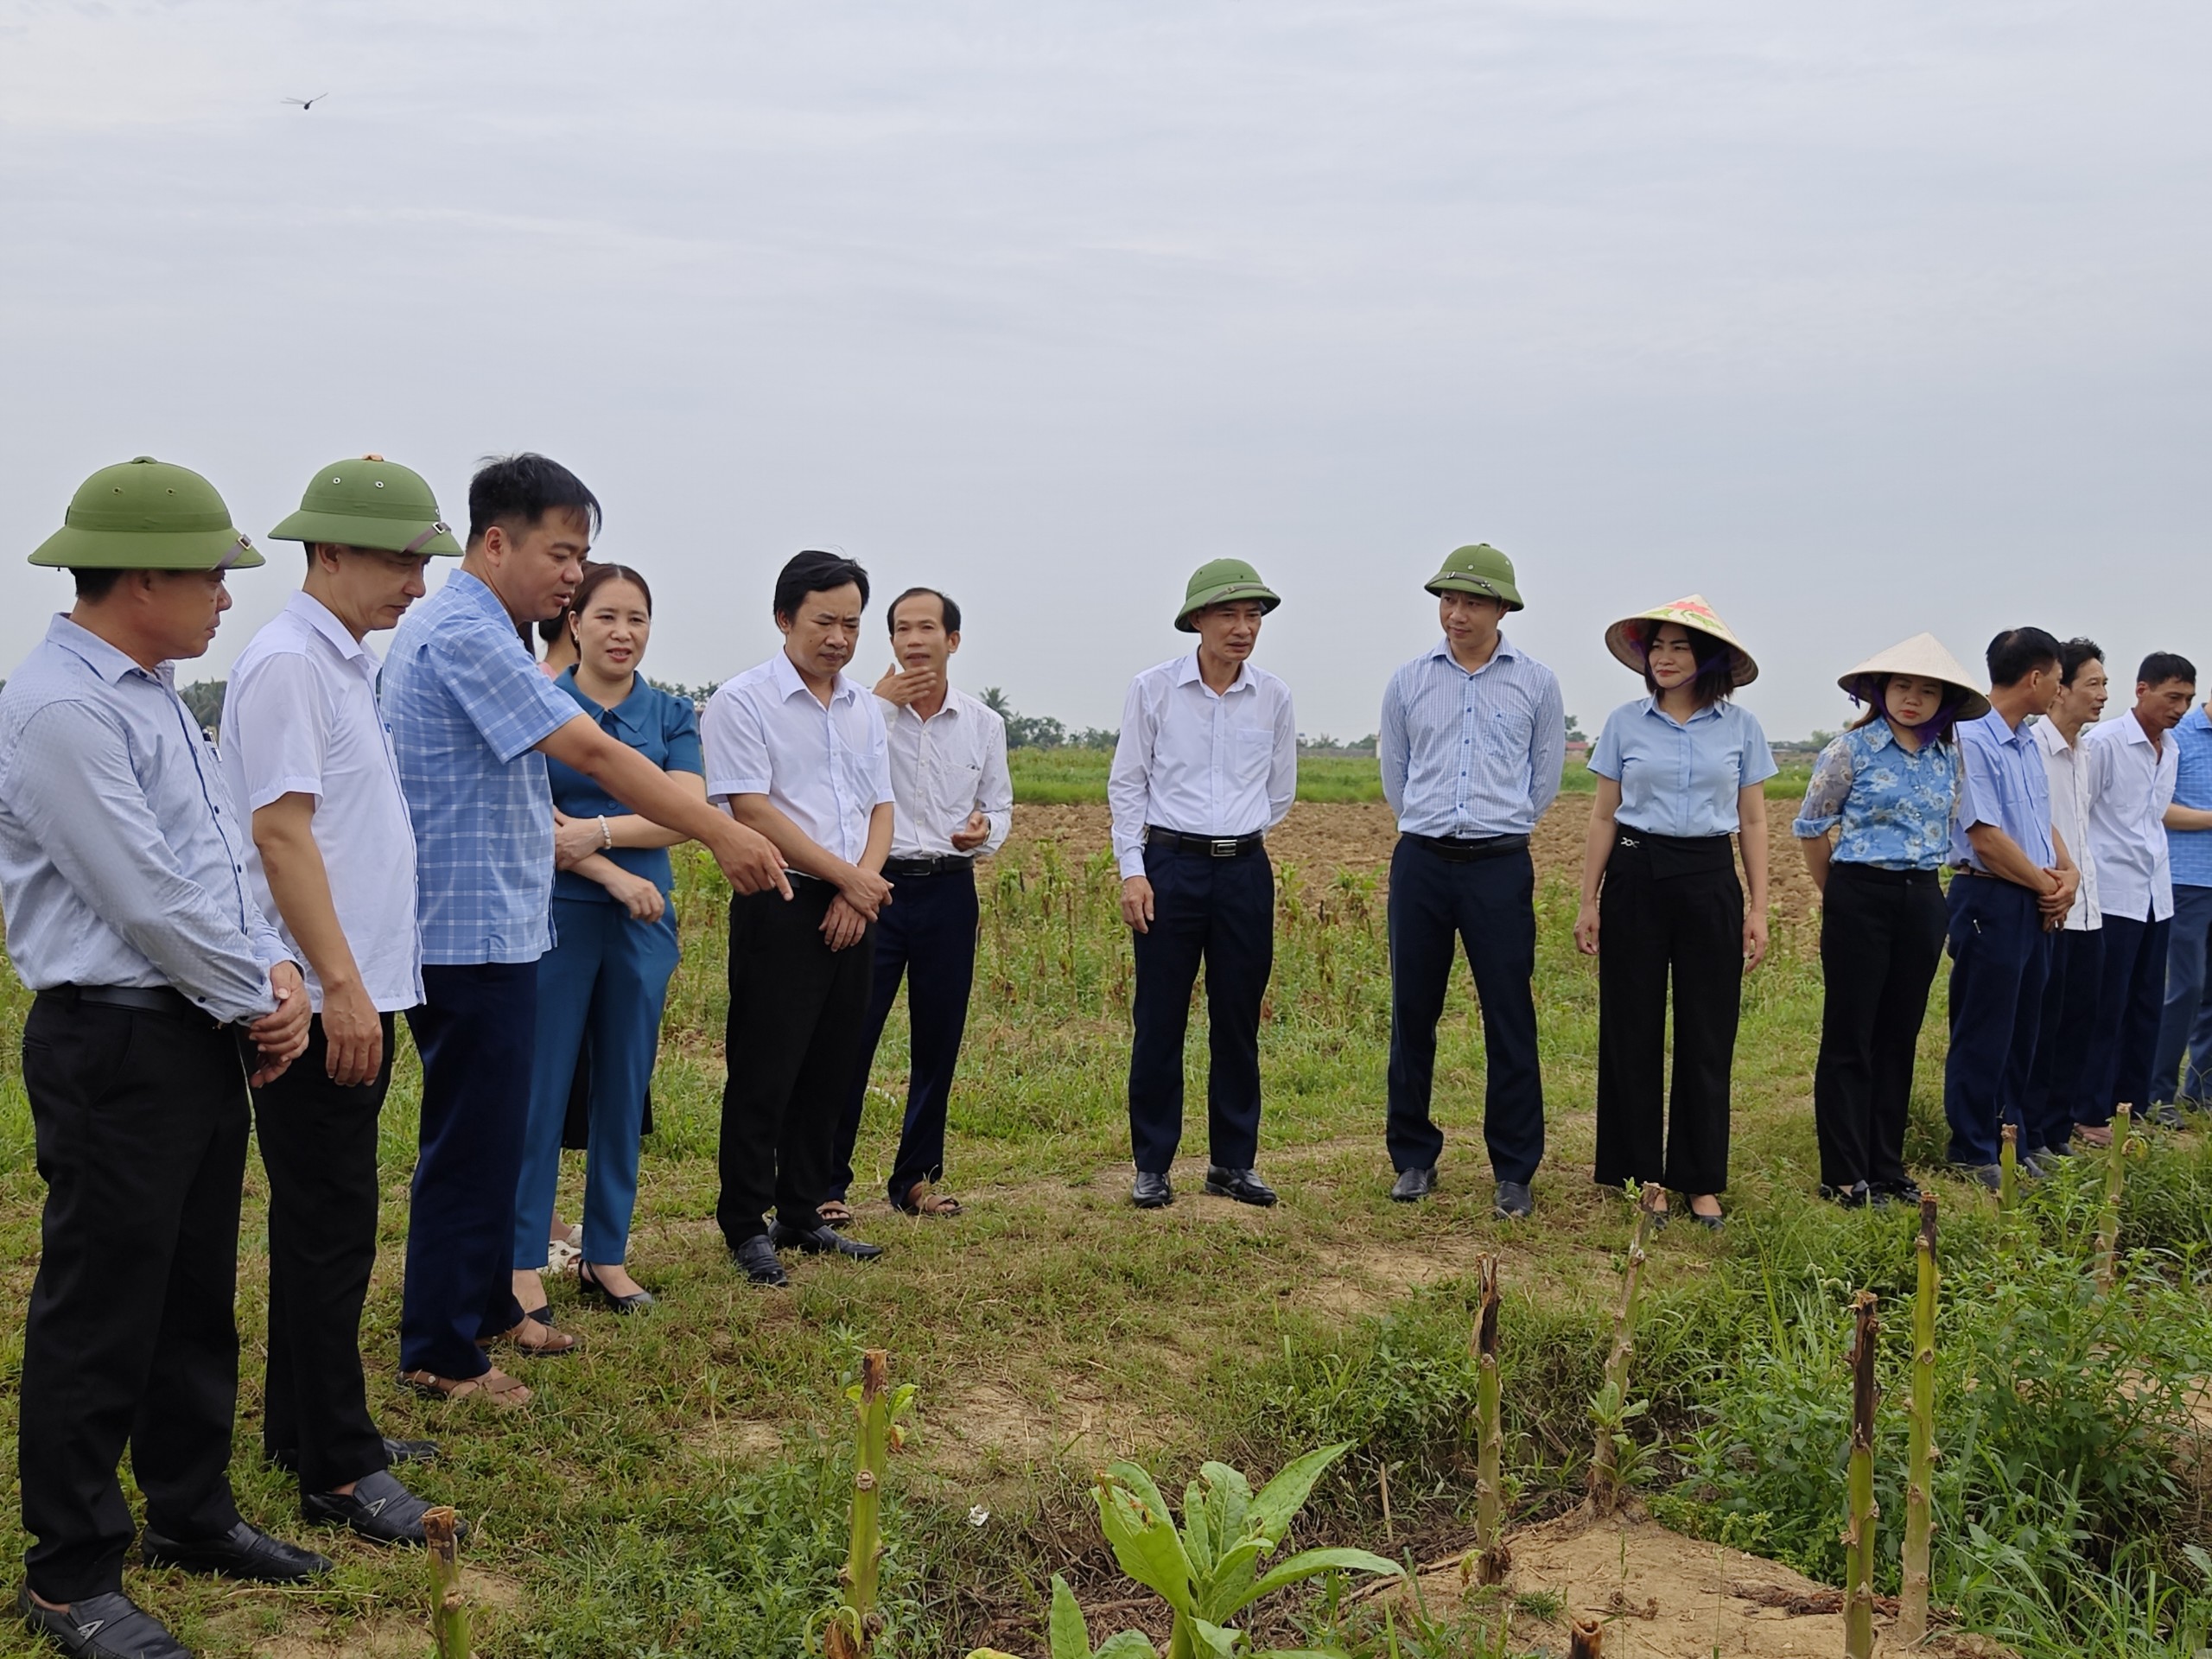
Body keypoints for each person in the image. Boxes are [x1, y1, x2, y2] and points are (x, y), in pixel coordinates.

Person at [1, 458, 325, 1659]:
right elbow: (142, 899)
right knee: (101, 1304)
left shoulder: (154, 696)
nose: (229, 598)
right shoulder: (62, 709)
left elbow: (224, 869)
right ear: (142, 578)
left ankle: (192, 1512)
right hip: (119, 1036)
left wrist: (276, 974)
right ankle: (71, 1570)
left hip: (197, 1026)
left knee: (193, 1292)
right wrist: (261, 1001)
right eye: (212, 576)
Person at [381, 454, 786, 1404]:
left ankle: (490, 1305)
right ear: (495, 542)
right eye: (562, 556)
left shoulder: (482, 630)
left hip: (498, 921)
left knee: (494, 1133)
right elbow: (591, 753)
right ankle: (441, 1349)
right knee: (469, 1145)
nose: (575, 577)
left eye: (584, 556)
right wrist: (720, 829)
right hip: (465, 928)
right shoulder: (467, 635)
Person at [220, 456, 457, 1548]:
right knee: (329, 1230)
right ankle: (340, 1469)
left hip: (352, 988)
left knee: (331, 1222)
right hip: (322, 1002)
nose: (415, 583)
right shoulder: (287, 666)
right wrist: (340, 989)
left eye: (421, 561)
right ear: (326, 552)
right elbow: (279, 832)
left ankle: (306, 1428)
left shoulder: (342, 663)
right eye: (400, 560)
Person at [512, 564, 701, 1319]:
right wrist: (611, 869)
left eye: (639, 618)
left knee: (624, 1087)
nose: (624, 632)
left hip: (645, 924)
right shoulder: (542, 708)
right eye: (608, 617)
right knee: (543, 1089)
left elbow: (684, 812)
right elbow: (529, 821)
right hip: (556, 915)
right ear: (575, 622)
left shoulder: (673, 715)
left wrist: (589, 833)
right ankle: (524, 1259)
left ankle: (607, 1255)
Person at [707, 550, 897, 1286]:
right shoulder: (743, 700)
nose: (840, 638)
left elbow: (881, 805)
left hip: (857, 900)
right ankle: (744, 1222)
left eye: (852, 624)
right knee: (767, 1065)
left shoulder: (859, 707)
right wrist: (848, 879)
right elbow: (752, 808)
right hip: (781, 898)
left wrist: (861, 887)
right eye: (825, 621)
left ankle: (803, 1211)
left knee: (832, 1064)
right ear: (785, 618)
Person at [1376, 543, 1564, 1219]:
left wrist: (1497, 827)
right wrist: (1432, 826)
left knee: (1510, 1015)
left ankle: (1514, 1169)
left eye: (1473, 602)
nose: (1456, 614)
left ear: (1503, 608)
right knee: (1413, 1012)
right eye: (1448, 600)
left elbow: (1542, 781)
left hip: (1499, 864)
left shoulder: (1536, 683)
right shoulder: (1408, 681)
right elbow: (1396, 775)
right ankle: (1413, 1157)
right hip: (1422, 860)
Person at [1576, 596, 1774, 1229]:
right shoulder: (1625, 723)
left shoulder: (1740, 728)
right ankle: (1645, 1175)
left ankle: (1699, 1179)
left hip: (1710, 879)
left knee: (1707, 1033)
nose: (1663, 657)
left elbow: (1753, 819)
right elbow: (1605, 814)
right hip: (1636, 874)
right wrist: (1589, 900)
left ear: (1707, 658)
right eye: (1656, 647)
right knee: (1631, 1027)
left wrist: (1760, 907)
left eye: (1678, 647)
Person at [1109, 559, 1297, 1210]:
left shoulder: (1272, 696)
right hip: (1170, 866)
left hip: (1245, 869)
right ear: (1196, 620)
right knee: (1159, 1018)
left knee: (1237, 1019)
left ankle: (1232, 1164)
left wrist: (1236, 839)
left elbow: (1280, 790)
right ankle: (1153, 1164)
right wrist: (1134, 870)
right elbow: (1128, 784)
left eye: (1253, 617)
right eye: (1229, 615)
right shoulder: (1154, 689)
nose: (1243, 629)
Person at [825, 587, 1012, 1223]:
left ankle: (916, 1180)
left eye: (925, 628)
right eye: (901, 628)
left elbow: (1000, 804)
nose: (912, 640)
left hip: (950, 890)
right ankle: (827, 1184)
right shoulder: (858, 712)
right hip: (876, 888)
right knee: (850, 1036)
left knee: (939, 1038)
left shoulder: (984, 724)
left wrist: (985, 831)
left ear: (952, 641)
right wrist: (878, 709)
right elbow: (838, 781)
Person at [1793, 634, 1985, 1206]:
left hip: (1924, 898)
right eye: (1902, 686)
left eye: (1927, 691)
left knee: (1899, 1036)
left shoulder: (1950, 758)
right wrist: (1841, 894)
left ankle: (1886, 1167)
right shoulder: (1849, 751)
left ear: (1944, 701)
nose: (1912, 699)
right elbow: (1810, 827)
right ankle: (1843, 1173)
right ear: (1880, 691)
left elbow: (1947, 825)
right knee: (1851, 1035)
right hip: (1859, 892)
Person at [1941, 628, 2080, 1189]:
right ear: (2036, 677)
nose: (2061, 692)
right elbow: (1986, 838)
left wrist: (2066, 874)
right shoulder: (1971, 739)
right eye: (2059, 679)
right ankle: (1971, 1147)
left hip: (2029, 896)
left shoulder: (2024, 742)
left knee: (2025, 1025)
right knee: (1985, 1027)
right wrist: (2047, 886)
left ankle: (2011, 1139)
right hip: (1990, 896)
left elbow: (2038, 821)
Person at [2076, 653, 2194, 1139]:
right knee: (2108, 1006)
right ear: (2142, 690)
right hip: (2113, 893)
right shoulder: (2103, 743)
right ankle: (2089, 1111)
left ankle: (2132, 1104)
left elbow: (2153, 817)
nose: (2180, 708)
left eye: (2187, 699)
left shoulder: (2170, 748)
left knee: (2147, 1004)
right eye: (2172, 697)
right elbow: (2078, 814)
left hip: (2155, 893)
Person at [2018, 639, 2107, 1166]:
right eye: (2091, 684)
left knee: (2078, 1023)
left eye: (2104, 684)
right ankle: (2025, 1132)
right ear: (2059, 689)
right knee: (2041, 1028)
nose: (2101, 695)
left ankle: (2055, 1130)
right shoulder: (2032, 749)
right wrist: (2054, 888)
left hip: (2090, 905)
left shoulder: (2087, 753)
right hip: (2051, 906)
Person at [2151, 685, 2212, 1113]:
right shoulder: (2179, 736)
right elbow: (2159, 807)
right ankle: (2157, 1093)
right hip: (2186, 880)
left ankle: (2202, 1093)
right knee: (2183, 988)